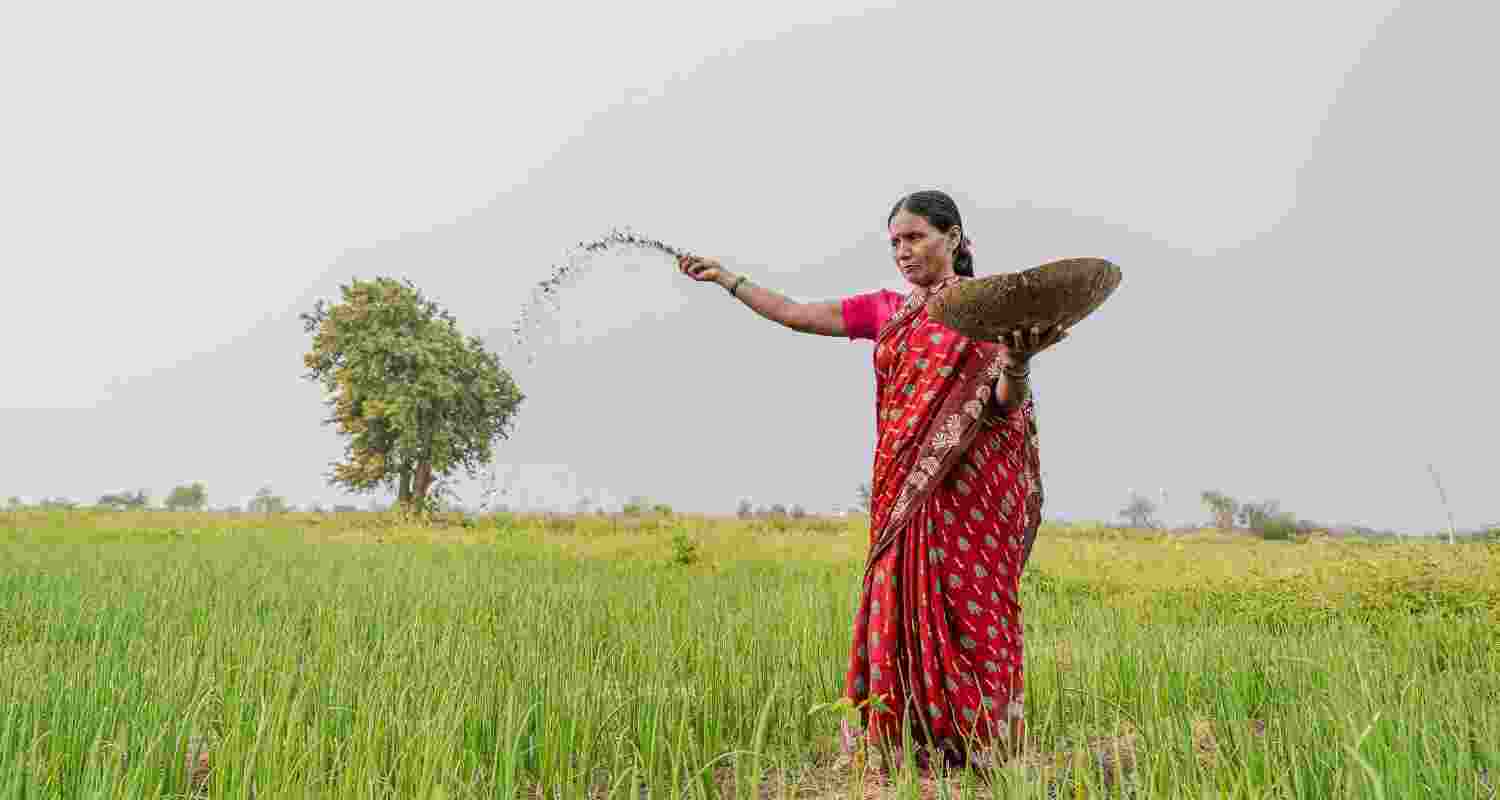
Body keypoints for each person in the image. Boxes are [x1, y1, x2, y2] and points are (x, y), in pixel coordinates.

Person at [678, 189, 1067, 773]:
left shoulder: (987, 310)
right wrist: (729, 280)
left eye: (915, 238)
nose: (904, 252)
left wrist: (1018, 362)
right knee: (900, 599)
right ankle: (900, 740)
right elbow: (797, 313)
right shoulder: (888, 310)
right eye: (895, 243)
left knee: (970, 607)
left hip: (966, 494)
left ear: (953, 239)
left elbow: (1004, 406)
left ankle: (980, 743)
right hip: (901, 492)